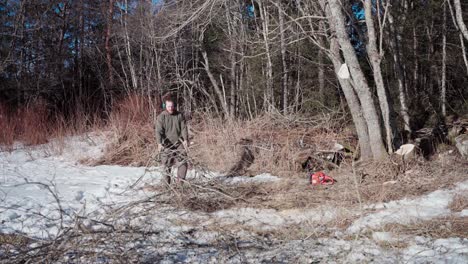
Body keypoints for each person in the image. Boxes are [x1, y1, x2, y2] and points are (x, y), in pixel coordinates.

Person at [155, 95, 189, 185]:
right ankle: (167, 185)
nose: (170, 108)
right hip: (167, 143)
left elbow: (184, 128)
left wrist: (185, 139)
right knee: (166, 164)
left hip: (178, 142)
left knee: (183, 162)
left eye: (172, 106)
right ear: (164, 106)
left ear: (174, 105)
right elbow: (158, 131)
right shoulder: (161, 117)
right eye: (168, 106)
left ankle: (180, 184)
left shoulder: (179, 115)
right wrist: (159, 143)